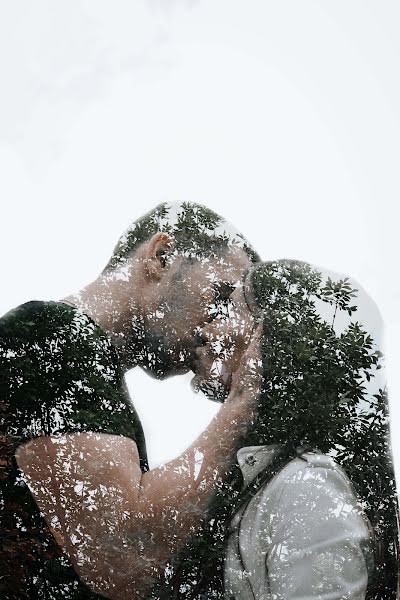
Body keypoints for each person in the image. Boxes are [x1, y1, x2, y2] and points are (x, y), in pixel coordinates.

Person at [0, 202, 262, 600]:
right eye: (221, 294)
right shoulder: (55, 335)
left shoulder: (77, 355)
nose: (217, 325)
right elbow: (122, 554)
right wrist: (245, 401)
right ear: (161, 256)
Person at [161, 259, 399, 600]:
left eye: (231, 307)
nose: (207, 327)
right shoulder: (254, 474)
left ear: (273, 338)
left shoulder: (309, 489)